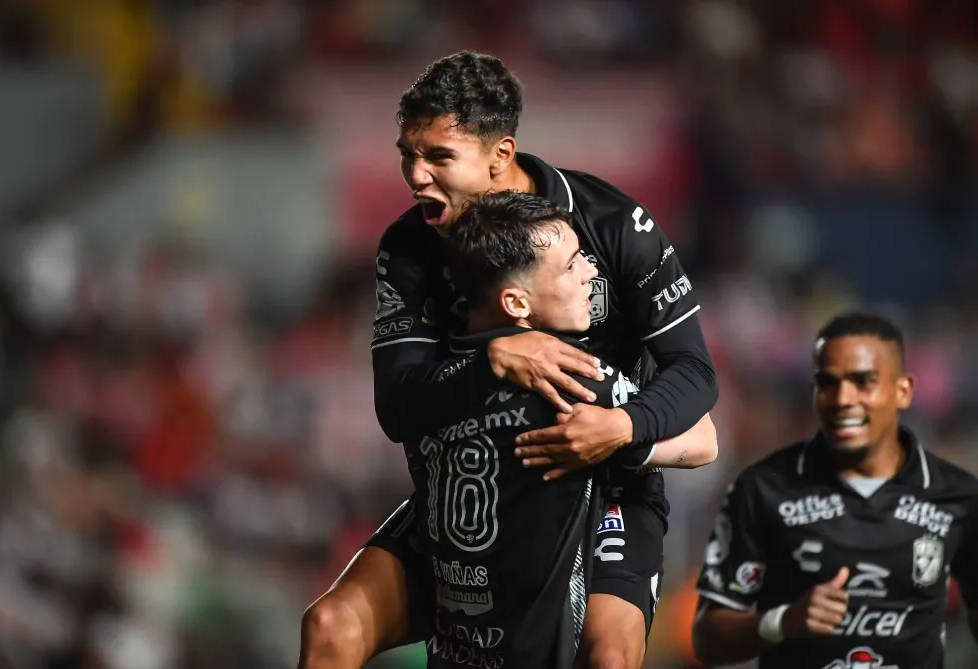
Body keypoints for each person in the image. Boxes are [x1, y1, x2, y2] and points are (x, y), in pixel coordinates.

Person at [301, 51, 719, 669]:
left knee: (607, 653)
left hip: (600, 488)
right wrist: (494, 358)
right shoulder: (410, 247)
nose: (415, 176)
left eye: (439, 157)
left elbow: (695, 375)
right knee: (332, 625)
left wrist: (623, 430)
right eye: (407, 155)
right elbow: (397, 405)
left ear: (500, 155)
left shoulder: (611, 225)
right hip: (469, 490)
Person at [402, 189, 717, 668]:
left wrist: (617, 436)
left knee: (609, 654)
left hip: (608, 514)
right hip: (480, 593)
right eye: (573, 265)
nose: (593, 273)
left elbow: (703, 440)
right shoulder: (484, 375)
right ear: (516, 301)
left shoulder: (571, 371)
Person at [691, 311, 978, 668]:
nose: (842, 398)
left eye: (863, 382)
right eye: (828, 383)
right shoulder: (763, 488)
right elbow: (707, 639)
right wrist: (781, 621)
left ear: (903, 391)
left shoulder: (959, 497)